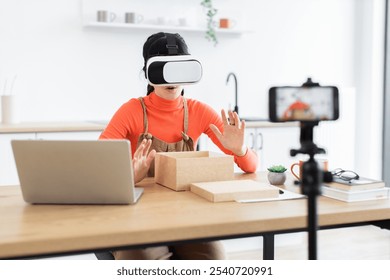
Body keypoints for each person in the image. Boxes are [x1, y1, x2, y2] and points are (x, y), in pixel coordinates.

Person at [99, 32, 258, 260]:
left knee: (213, 259)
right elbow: (99, 169)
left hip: (186, 215)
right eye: (163, 69)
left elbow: (252, 167)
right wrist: (129, 177)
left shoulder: (199, 111)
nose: (171, 80)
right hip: (138, 216)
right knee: (143, 259)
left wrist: (240, 150)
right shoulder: (131, 111)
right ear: (148, 73)